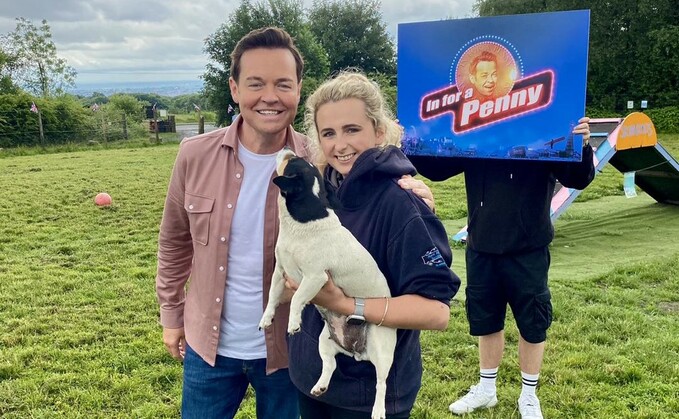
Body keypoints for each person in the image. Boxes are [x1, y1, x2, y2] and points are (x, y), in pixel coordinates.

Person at [155, 28, 435, 419]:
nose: (270, 96)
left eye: (282, 84)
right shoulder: (194, 155)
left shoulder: (319, 160)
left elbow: (369, 195)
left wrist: (416, 194)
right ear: (234, 88)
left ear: (298, 90)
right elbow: (173, 242)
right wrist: (171, 315)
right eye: (256, 83)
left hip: (288, 356)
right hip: (209, 348)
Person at [285, 71, 461, 418]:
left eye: (353, 130)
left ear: (379, 131)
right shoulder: (318, 193)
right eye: (329, 134)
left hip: (370, 397)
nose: (340, 144)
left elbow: (436, 312)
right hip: (312, 381)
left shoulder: (403, 203)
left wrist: (347, 303)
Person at [409, 118, 595, 419]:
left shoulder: (544, 130)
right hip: (482, 246)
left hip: (529, 249)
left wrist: (581, 145)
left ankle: (529, 394)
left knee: (533, 323)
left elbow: (578, 178)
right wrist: (410, 138)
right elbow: (438, 169)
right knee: (486, 320)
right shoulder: (480, 132)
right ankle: (487, 389)